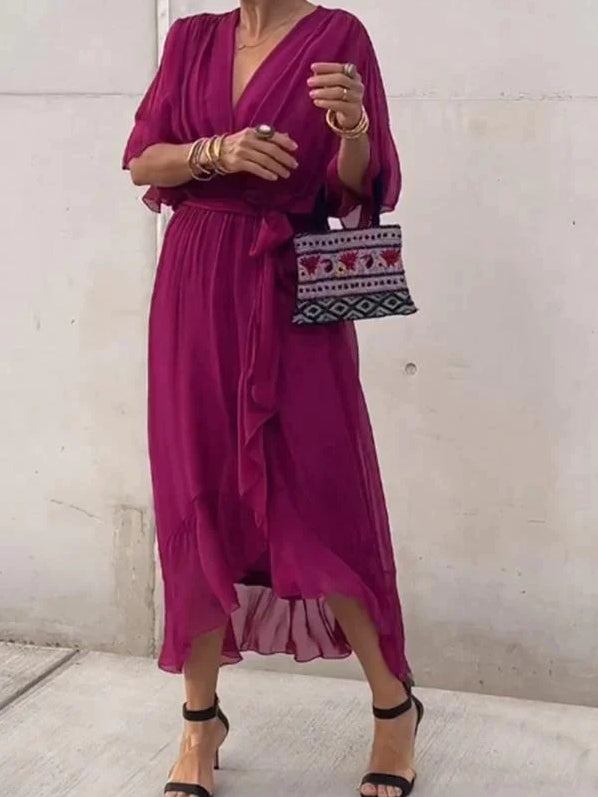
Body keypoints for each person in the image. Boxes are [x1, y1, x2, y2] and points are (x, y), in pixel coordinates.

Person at [123, 2, 423, 795]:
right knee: (199, 486)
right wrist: (215, 151)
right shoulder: (191, 38)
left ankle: (394, 706)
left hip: (292, 288)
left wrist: (354, 128)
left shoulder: (340, 35)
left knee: (324, 493)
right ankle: (199, 721)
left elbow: (358, 188)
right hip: (195, 285)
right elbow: (144, 161)